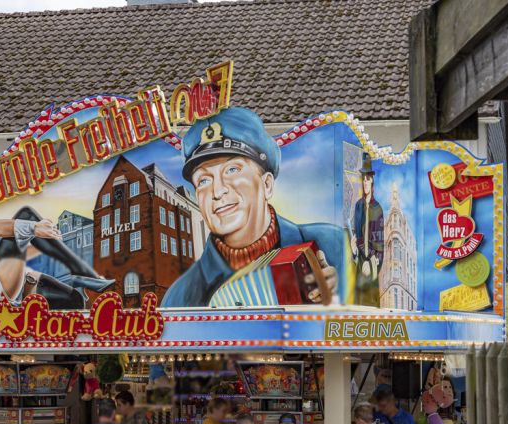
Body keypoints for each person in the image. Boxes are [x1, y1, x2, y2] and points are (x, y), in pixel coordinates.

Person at [160, 107, 351, 308]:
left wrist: (338, 299)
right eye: (203, 180)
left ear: (266, 184)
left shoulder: (333, 247)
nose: (217, 191)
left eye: (232, 170)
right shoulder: (180, 296)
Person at [0, 157, 108, 312]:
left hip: (2, 281)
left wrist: (47, 239)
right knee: (26, 215)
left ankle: (81, 289)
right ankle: (84, 272)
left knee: (72, 299)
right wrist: (34, 228)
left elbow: (5, 254)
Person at [352, 154, 384, 306]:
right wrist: (355, 251)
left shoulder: (377, 208)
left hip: (372, 261)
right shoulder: (358, 206)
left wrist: (372, 262)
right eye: (363, 179)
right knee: (359, 301)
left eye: (368, 179)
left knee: (371, 301)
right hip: (360, 262)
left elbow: (380, 241)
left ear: (372, 182)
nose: (365, 183)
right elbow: (357, 234)